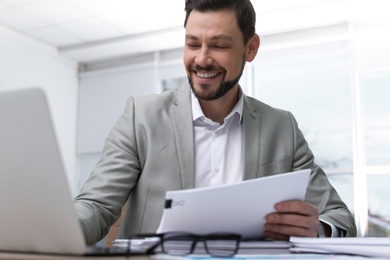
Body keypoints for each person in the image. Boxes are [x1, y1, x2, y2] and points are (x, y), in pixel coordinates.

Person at [74, 0, 356, 245]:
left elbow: (341, 218)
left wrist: (317, 228)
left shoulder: (282, 128)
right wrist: (58, 229)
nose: (202, 59)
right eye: (192, 44)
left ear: (250, 48)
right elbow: (96, 206)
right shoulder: (141, 116)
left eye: (219, 45)